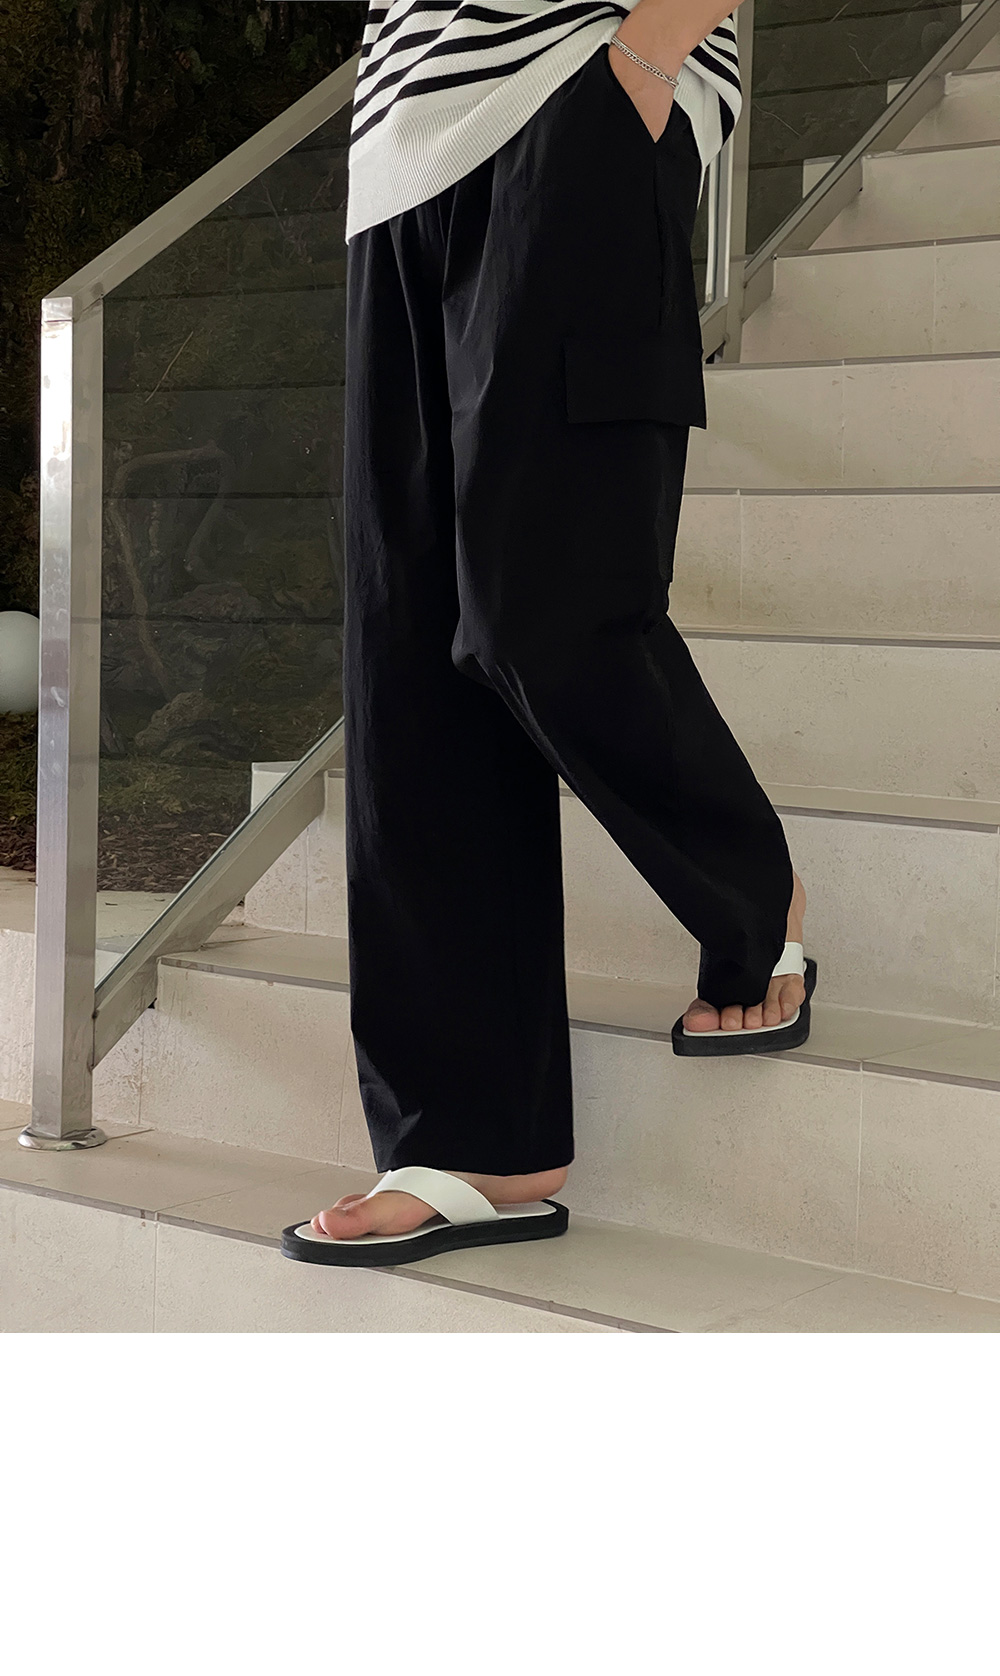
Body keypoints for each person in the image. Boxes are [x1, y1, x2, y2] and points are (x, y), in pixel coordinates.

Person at [282, 0, 814, 1267]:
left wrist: (646, 55)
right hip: (400, 148)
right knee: (409, 664)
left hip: (576, 91)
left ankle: (754, 883)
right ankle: (477, 1140)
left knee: (546, 608)